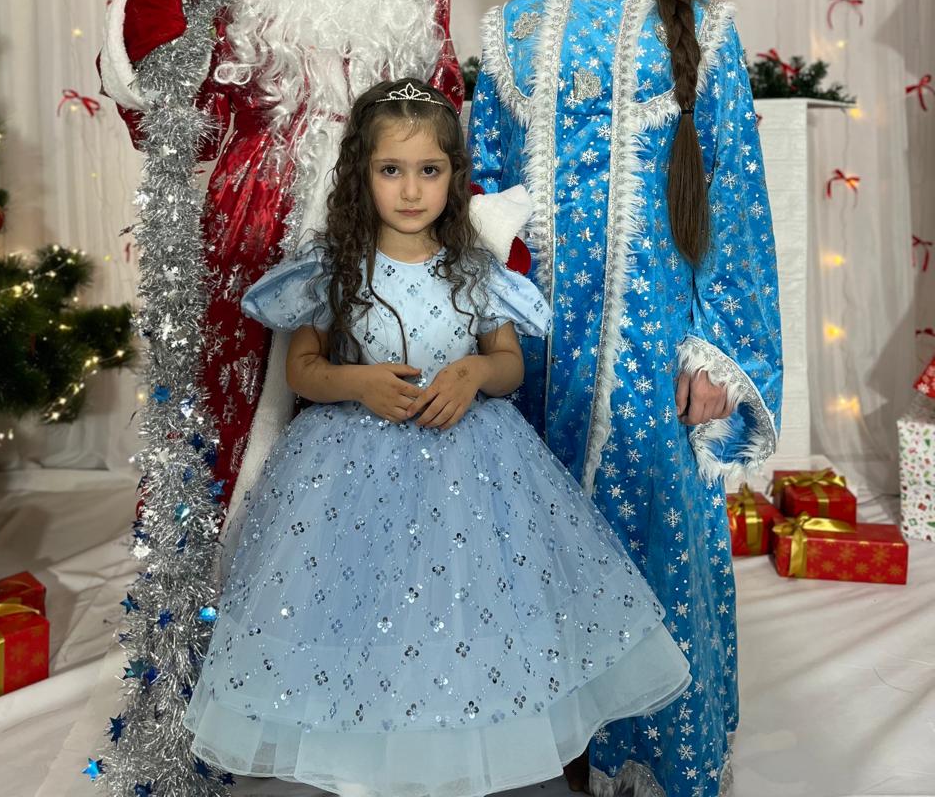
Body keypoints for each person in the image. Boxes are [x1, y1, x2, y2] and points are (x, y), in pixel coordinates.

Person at [183, 77, 691, 797]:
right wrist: (358, 382)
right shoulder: (333, 269)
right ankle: (364, 753)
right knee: (361, 602)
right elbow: (302, 370)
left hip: (470, 471)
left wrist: (475, 371)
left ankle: (456, 751)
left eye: (430, 170)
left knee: (458, 603)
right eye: (391, 170)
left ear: (454, 176)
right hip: (348, 471)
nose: (411, 190)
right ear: (361, 175)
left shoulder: (473, 270)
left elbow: (509, 365)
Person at [469, 0, 783, 797]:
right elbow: (482, 198)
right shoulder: (512, 32)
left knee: (657, 537)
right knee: (542, 538)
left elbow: (736, 210)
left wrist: (721, 354)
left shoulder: (708, 31)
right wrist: (484, 328)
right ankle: (563, 744)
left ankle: (657, 749)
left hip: (660, 347)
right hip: (537, 352)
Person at [97, 0, 464, 525]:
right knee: (233, 398)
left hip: (389, 217)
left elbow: (445, 110)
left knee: (380, 394)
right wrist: (151, 18)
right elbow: (175, 120)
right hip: (254, 219)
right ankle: (219, 574)